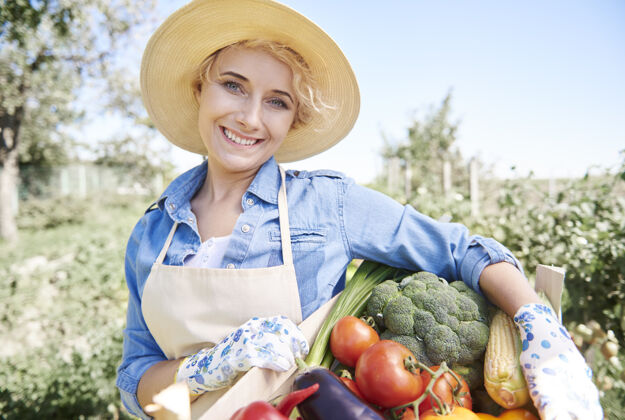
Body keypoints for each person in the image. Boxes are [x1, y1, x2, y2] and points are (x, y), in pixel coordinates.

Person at [116, 1, 603, 419]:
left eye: (278, 102)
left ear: (293, 119)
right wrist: (208, 367)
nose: (250, 117)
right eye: (233, 85)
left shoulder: (327, 204)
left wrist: (538, 324)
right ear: (201, 89)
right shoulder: (151, 234)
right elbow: (141, 386)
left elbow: (462, 250)